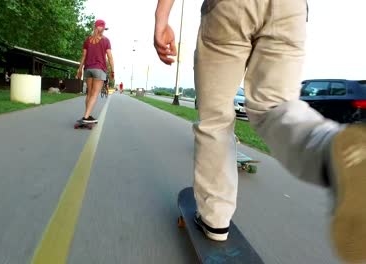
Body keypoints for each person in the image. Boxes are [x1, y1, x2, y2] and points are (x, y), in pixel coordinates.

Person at [154, 0, 366, 262]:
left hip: (228, 8)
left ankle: (214, 219)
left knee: (216, 119)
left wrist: (161, 18)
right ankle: (333, 149)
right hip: (290, 8)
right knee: (275, 108)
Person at [76, 19, 115, 123]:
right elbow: (110, 57)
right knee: (94, 95)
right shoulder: (106, 40)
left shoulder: (87, 40)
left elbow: (83, 56)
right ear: (102, 28)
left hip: (88, 69)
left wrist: (79, 70)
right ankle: (86, 117)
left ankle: (87, 115)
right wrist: (112, 71)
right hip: (99, 69)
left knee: (89, 93)